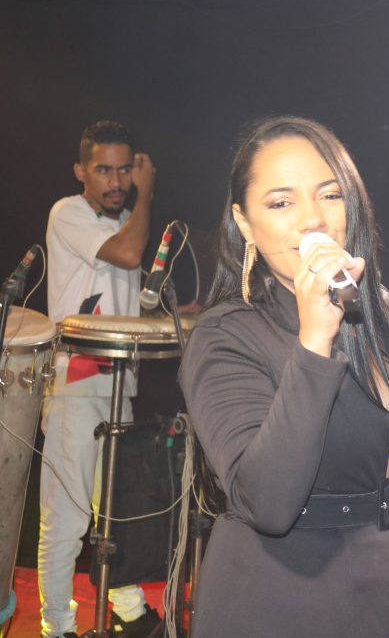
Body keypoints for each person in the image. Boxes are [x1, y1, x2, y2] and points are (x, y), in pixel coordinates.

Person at [178, 115, 389, 637]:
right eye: (281, 203)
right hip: (279, 604)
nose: (312, 218)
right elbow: (267, 502)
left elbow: (384, 448)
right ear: (244, 223)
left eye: (329, 195)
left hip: (384, 593)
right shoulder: (226, 335)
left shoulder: (379, 313)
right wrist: (314, 342)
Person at [40, 120, 162, 638]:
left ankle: (128, 610)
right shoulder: (69, 212)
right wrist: (147, 195)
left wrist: (176, 313)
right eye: (104, 170)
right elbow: (128, 254)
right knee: (67, 518)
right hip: (76, 382)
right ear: (80, 171)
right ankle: (58, 627)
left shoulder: (125, 224)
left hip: (117, 384)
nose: (117, 181)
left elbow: (124, 298)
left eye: (125, 170)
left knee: (116, 510)